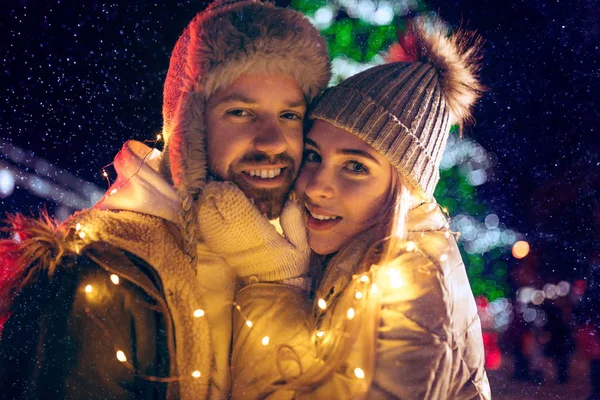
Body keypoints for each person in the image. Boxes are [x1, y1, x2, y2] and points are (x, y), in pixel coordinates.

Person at [0, 0, 330, 398]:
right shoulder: (103, 272)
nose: (273, 141)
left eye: (290, 115)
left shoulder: (290, 258)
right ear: (188, 127)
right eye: (241, 112)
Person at [201, 15, 491, 399]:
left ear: (406, 187)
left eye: (355, 167)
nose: (316, 186)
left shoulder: (410, 288)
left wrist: (273, 282)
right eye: (313, 155)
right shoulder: (360, 255)